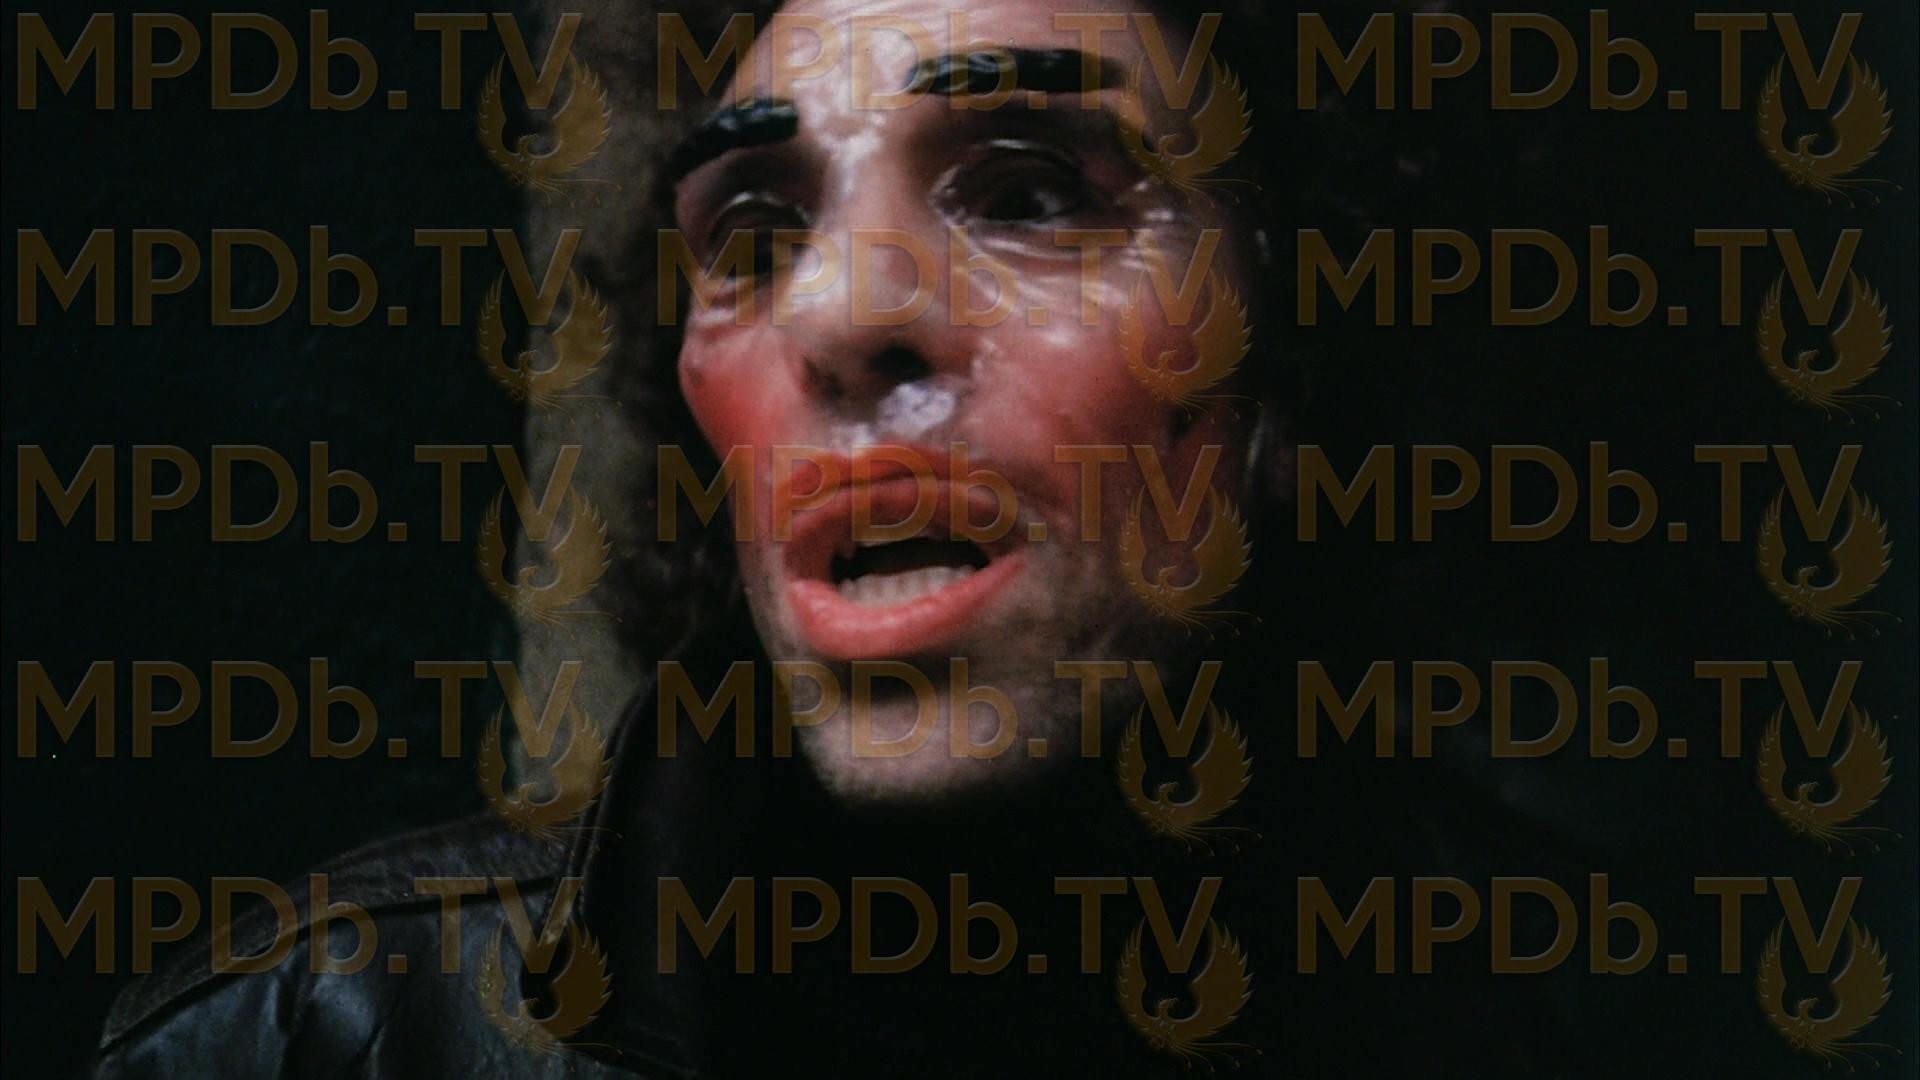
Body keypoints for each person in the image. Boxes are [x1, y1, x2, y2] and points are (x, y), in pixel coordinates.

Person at [90, 1, 1567, 1075]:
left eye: (1030, 193)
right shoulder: (319, 1038)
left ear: (1290, 357)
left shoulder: (1606, 1003)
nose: (841, 312)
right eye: (753, 236)